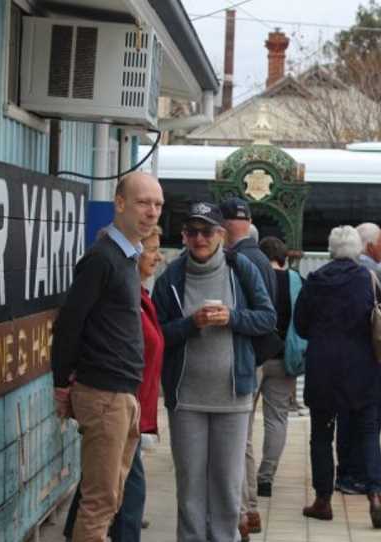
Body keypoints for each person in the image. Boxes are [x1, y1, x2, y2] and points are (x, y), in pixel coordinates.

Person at [152, 202, 276, 542]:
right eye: (192, 232)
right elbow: (158, 334)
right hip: (186, 396)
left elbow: (267, 318)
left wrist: (232, 317)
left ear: (221, 234)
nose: (199, 238)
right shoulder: (171, 278)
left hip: (233, 395)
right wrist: (191, 324)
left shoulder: (242, 269)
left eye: (207, 231)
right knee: (190, 482)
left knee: (226, 482)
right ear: (184, 236)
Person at [51, 172, 164, 542]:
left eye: (158, 204)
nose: (151, 212)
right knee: (100, 504)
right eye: (143, 202)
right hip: (103, 395)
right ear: (119, 204)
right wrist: (61, 383)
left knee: (112, 499)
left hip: (123, 394)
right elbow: (69, 324)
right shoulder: (102, 258)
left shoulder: (128, 258)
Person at [294, 226, 381, 529]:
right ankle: (375, 494)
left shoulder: (315, 280)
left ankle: (323, 501)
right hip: (362, 369)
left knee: (321, 435)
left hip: (322, 368)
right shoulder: (368, 279)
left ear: (331, 249)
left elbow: (300, 326)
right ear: (358, 250)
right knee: (367, 431)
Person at [219, 197, 282, 536]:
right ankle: (249, 510)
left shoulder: (239, 260)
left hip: (242, 357)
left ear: (226, 226)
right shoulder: (261, 257)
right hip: (257, 356)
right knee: (244, 435)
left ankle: (245, 511)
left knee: (238, 438)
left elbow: (253, 314)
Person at [334, 223, 381, 495]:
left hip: (341, 358)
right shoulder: (376, 274)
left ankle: (344, 474)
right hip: (373, 357)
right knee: (369, 420)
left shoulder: (333, 274)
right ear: (368, 246)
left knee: (344, 418)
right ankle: (365, 476)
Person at [234, 238, 305, 515]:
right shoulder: (297, 281)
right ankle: (266, 478)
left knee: (245, 418)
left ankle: (245, 478)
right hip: (284, 359)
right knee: (278, 418)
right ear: (284, 257)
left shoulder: (255, 277)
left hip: (254, 358)